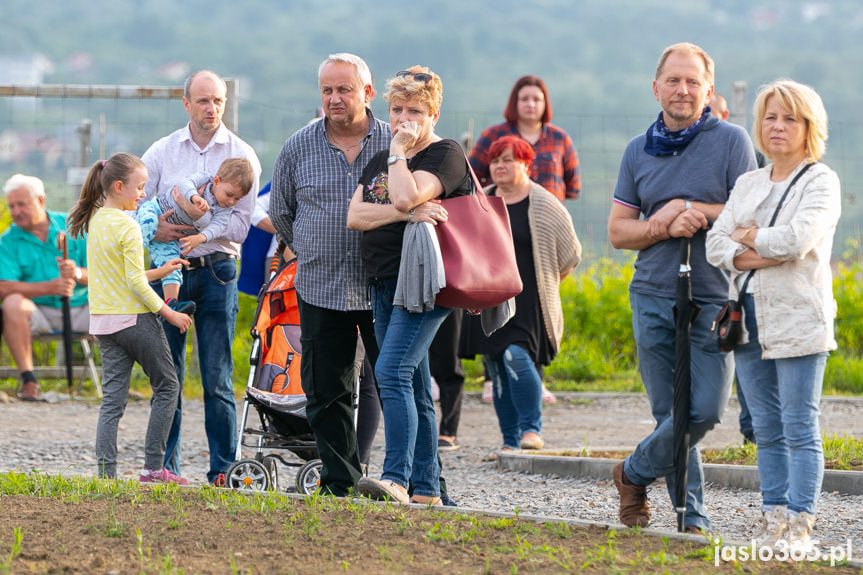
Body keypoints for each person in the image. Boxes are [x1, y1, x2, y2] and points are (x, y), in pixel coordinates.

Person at [607, 42, 756, 533]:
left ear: (708, 90)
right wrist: (661, 226)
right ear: (656, 88)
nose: (683, 90)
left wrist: (693, 206)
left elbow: (750, 217)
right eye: (673, 80)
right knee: (669, 412)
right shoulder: (636, 150)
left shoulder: (732, 141)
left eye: (693, 81)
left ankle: (631, 474)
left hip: (714, 296)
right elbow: (617, 232)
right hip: (652, 294)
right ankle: (690, 518)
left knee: (706, 410)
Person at [706, 80, 840, 552]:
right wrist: (754, 244)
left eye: (790, 118)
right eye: (770, 117)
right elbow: (714, 244)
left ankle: (801, 524)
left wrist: (748, 237)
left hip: (799, 317)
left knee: (800, 425)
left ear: (809, 127)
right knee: (764, 427)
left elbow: (797, 240)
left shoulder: (820, 180)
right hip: (747, 319)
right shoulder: (748, 182)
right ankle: (773, 517)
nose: (778, 126)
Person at [348, 66, 471, 505]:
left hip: (424, 283)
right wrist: (405, 213)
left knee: (391, 371)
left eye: (415, 111)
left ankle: (395, 477)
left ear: (434, 113)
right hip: (384, 281)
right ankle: (426, 491)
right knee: (414, 388)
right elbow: (355, 217)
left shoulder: (446, 155)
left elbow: (403, 195)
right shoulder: (382, 160)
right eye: (397, 110)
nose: (404, 119)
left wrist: (399, 153)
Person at [270, 53, 389, 497]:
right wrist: (314, 249)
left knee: (399, 385)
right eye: (327, 90)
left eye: (344, 89)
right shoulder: (298, 146)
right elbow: (281, 212)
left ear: (368, 92)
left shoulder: (395, 143)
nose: (334, 98)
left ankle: (413, 479)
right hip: (320, 286)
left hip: (384, 287)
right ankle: (341, 483)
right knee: (325, 391)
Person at [141, 69, 262, 485]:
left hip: (217, 271)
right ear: (186, 103)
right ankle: (164, 468)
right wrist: (158, 230)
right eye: (204, 100)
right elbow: (137, 205)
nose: (212, 108)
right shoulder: (161, 151)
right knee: (167, 375)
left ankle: (223, 471)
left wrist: (203, 230)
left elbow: (243, 226)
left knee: (217, 376)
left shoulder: (243, 155)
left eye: (219, 101)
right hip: (169, 268)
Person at [66, 153, 192, 484]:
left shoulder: (96, 222)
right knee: (168, 386)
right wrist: (170, 314)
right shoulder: (129, 225)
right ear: (119, 187)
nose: (143, 195)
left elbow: (121, 277)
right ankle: (153, 468)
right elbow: (135, 284)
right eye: (139, 188)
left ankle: (106, 475)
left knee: (112, 402)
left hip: (104, 324)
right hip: (135, 321)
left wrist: (160, 271)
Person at [467, 135, 581, 451]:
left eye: (508, 159)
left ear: (526, 164)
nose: (499, 166)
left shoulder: (543, 202)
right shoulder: (482, 199)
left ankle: (531, 429)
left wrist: (548, 283)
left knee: (514, 356)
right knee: (496, 369)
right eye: (495, 160)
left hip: (530, 301)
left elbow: (570, 254)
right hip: (490, 300)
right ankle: (509, 440)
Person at [0, 174, 89, 401]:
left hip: (83, 307)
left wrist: (77, 273)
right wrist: (51, 287)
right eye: (12, 206)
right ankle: (29, 382)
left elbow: (104, 275)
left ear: (40, 201)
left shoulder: (73, 227)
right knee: (11, 304)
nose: (16, 211)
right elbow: (4, 286)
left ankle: (118, 381)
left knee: (120, 301)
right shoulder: (7, 240)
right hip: (39, 313)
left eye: (22, 204)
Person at [137, 157, 255, 308]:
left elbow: (218, 226)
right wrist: (194, 197)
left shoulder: (225, 209)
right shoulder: (204, 179)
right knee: (147, 225)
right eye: (229, 195)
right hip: (155, 209)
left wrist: (200, 237)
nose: (231, 201)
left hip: (168, 239)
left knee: (172, 266)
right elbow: (184, 184)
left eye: (237, 199)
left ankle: (171, 304)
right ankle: (130, 260)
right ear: (217, 181)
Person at [709, 93, 756, 445]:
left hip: (743, 282)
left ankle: (754, 429)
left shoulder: (750, 161)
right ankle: (751, 429)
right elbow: (722, 237)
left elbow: (747, 226)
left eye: (710, 114)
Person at [469, 75, 580, 202]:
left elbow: (573, 188)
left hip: (548, 216)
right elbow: (471, 176)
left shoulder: (560, 138)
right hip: (502, 216)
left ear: (545, 104)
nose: (531, 104)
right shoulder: (494, 135)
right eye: (524, 99)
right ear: (514, 102)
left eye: (537, 99)